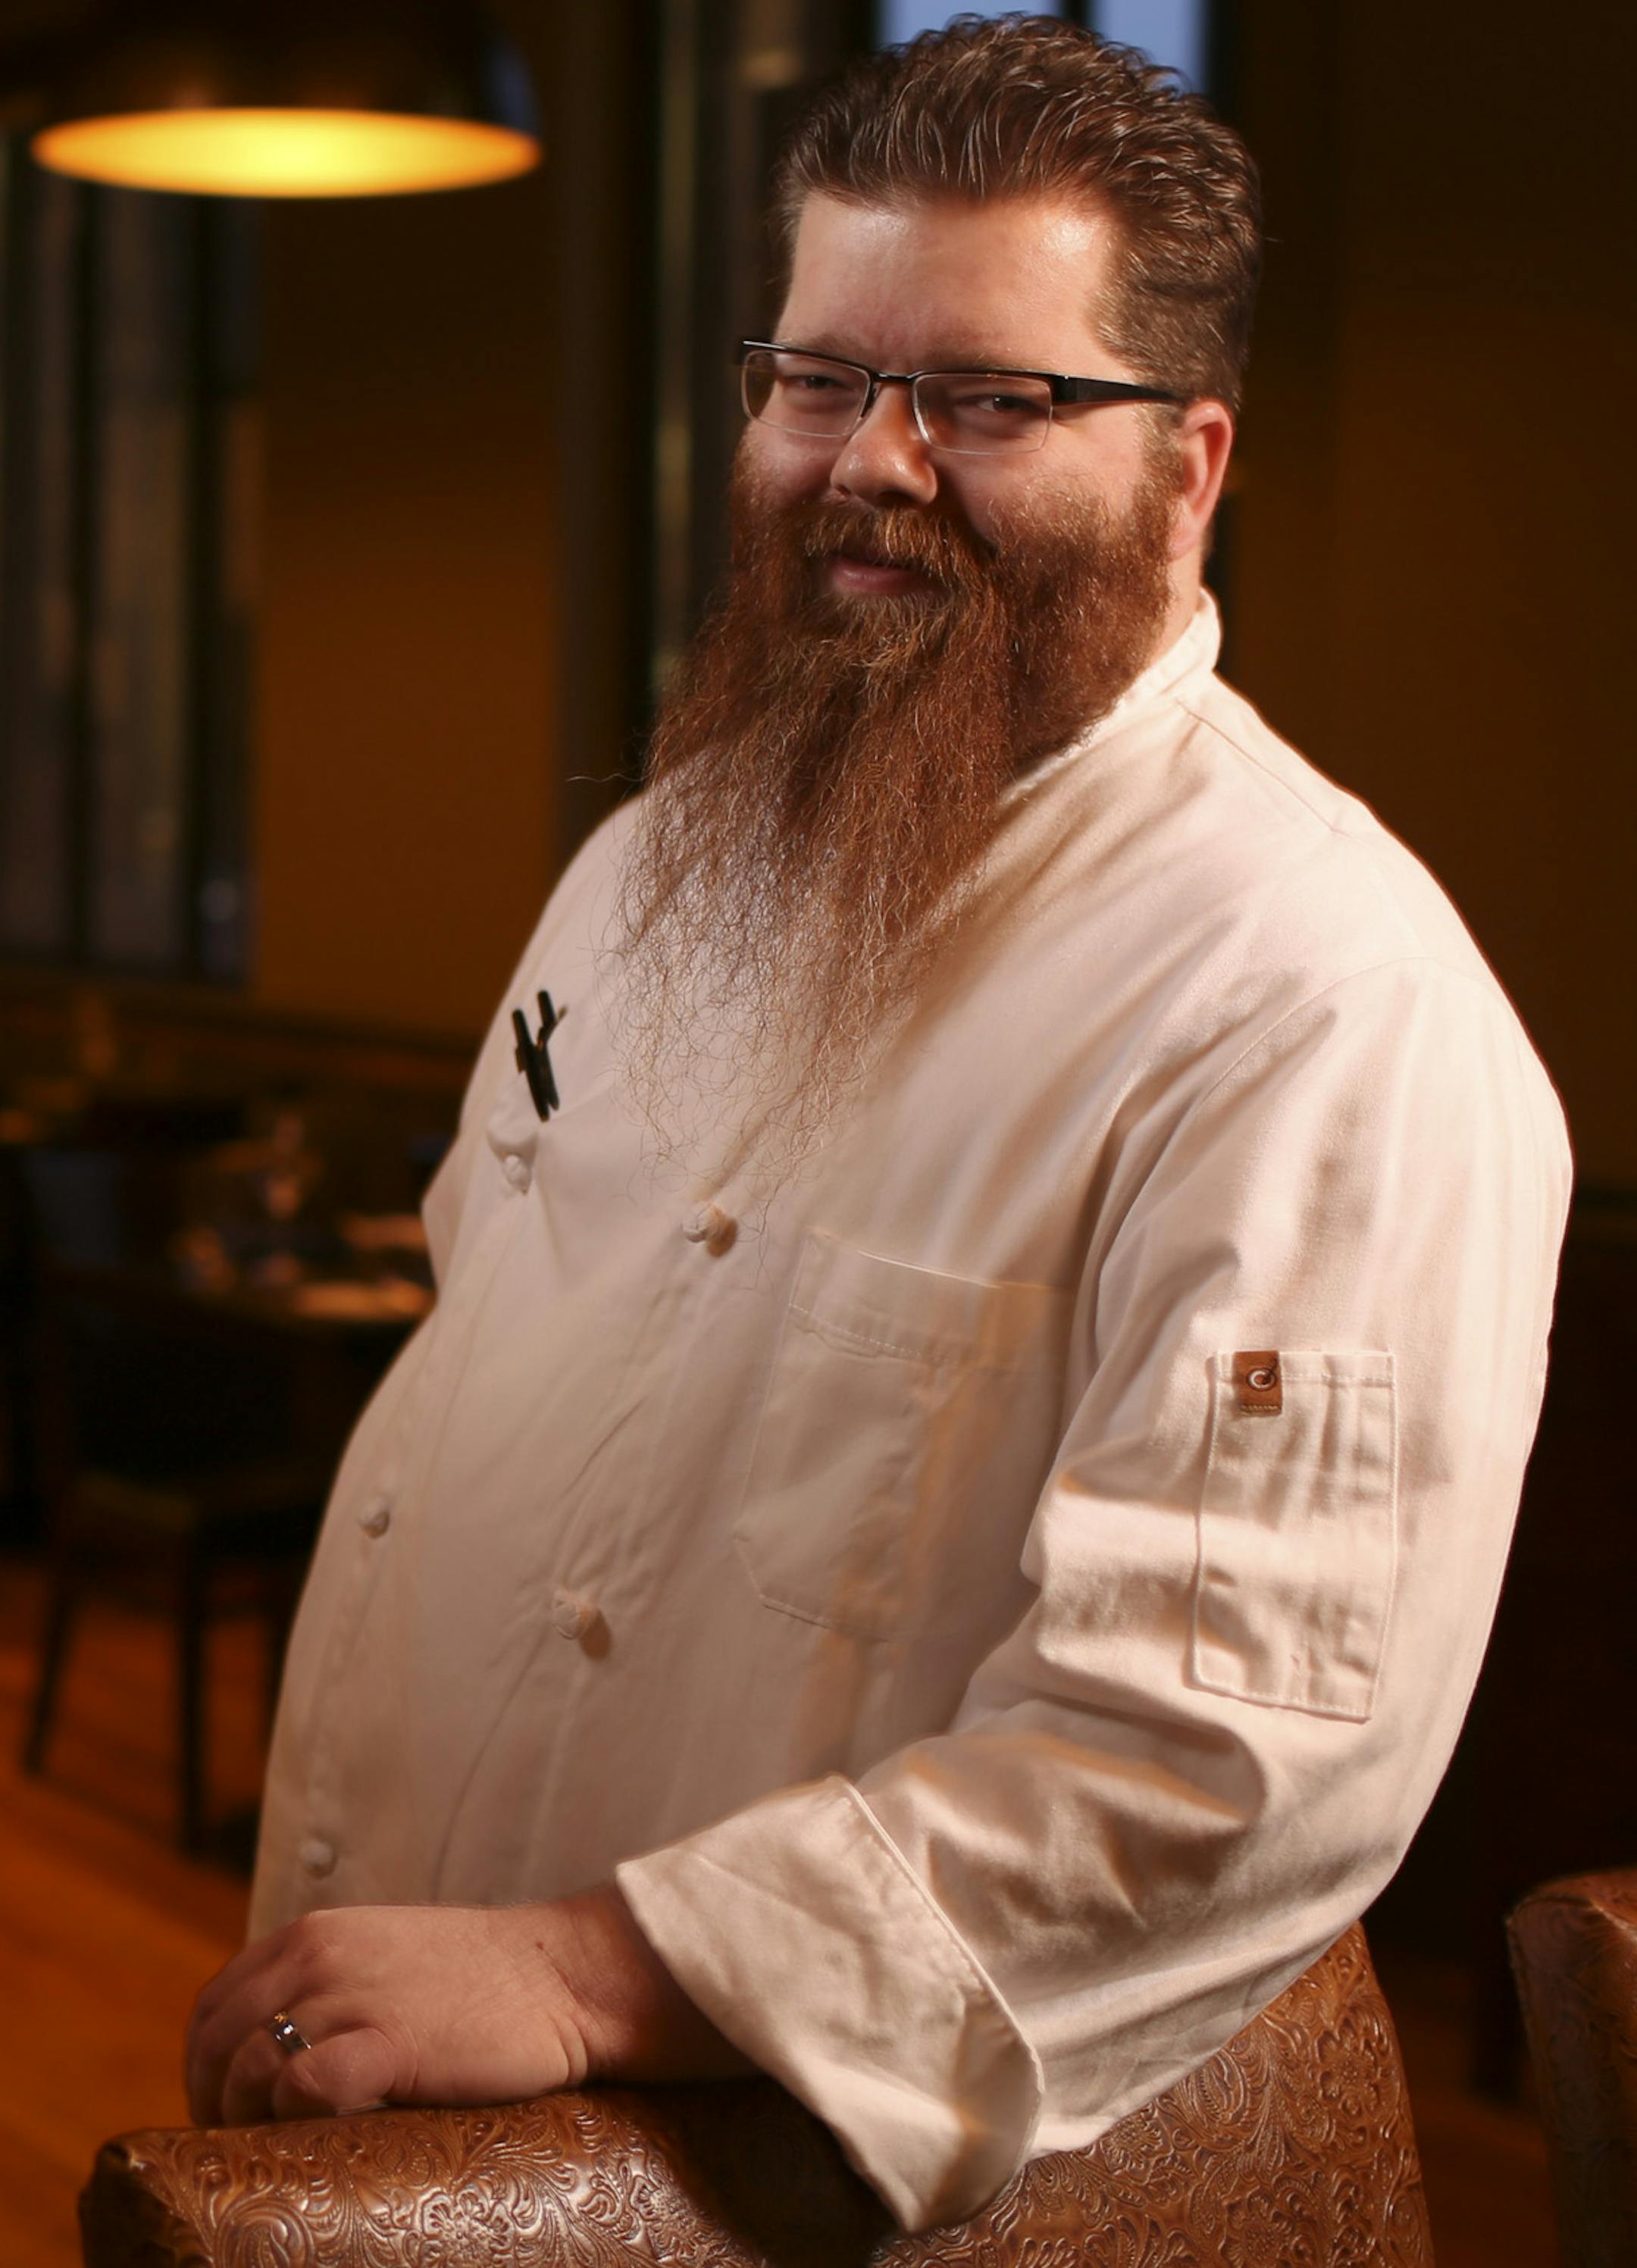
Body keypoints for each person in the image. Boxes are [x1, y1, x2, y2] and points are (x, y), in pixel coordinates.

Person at [185, 17, 1570, 2234]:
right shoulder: (654, 863)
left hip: (769, 2163)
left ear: (1191, 465)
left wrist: (585, 1965)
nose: (874, 460)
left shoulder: (1323, 1003)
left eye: (991, 400)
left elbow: (1211, 1774)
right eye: (822, 376)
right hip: (397, 2072)